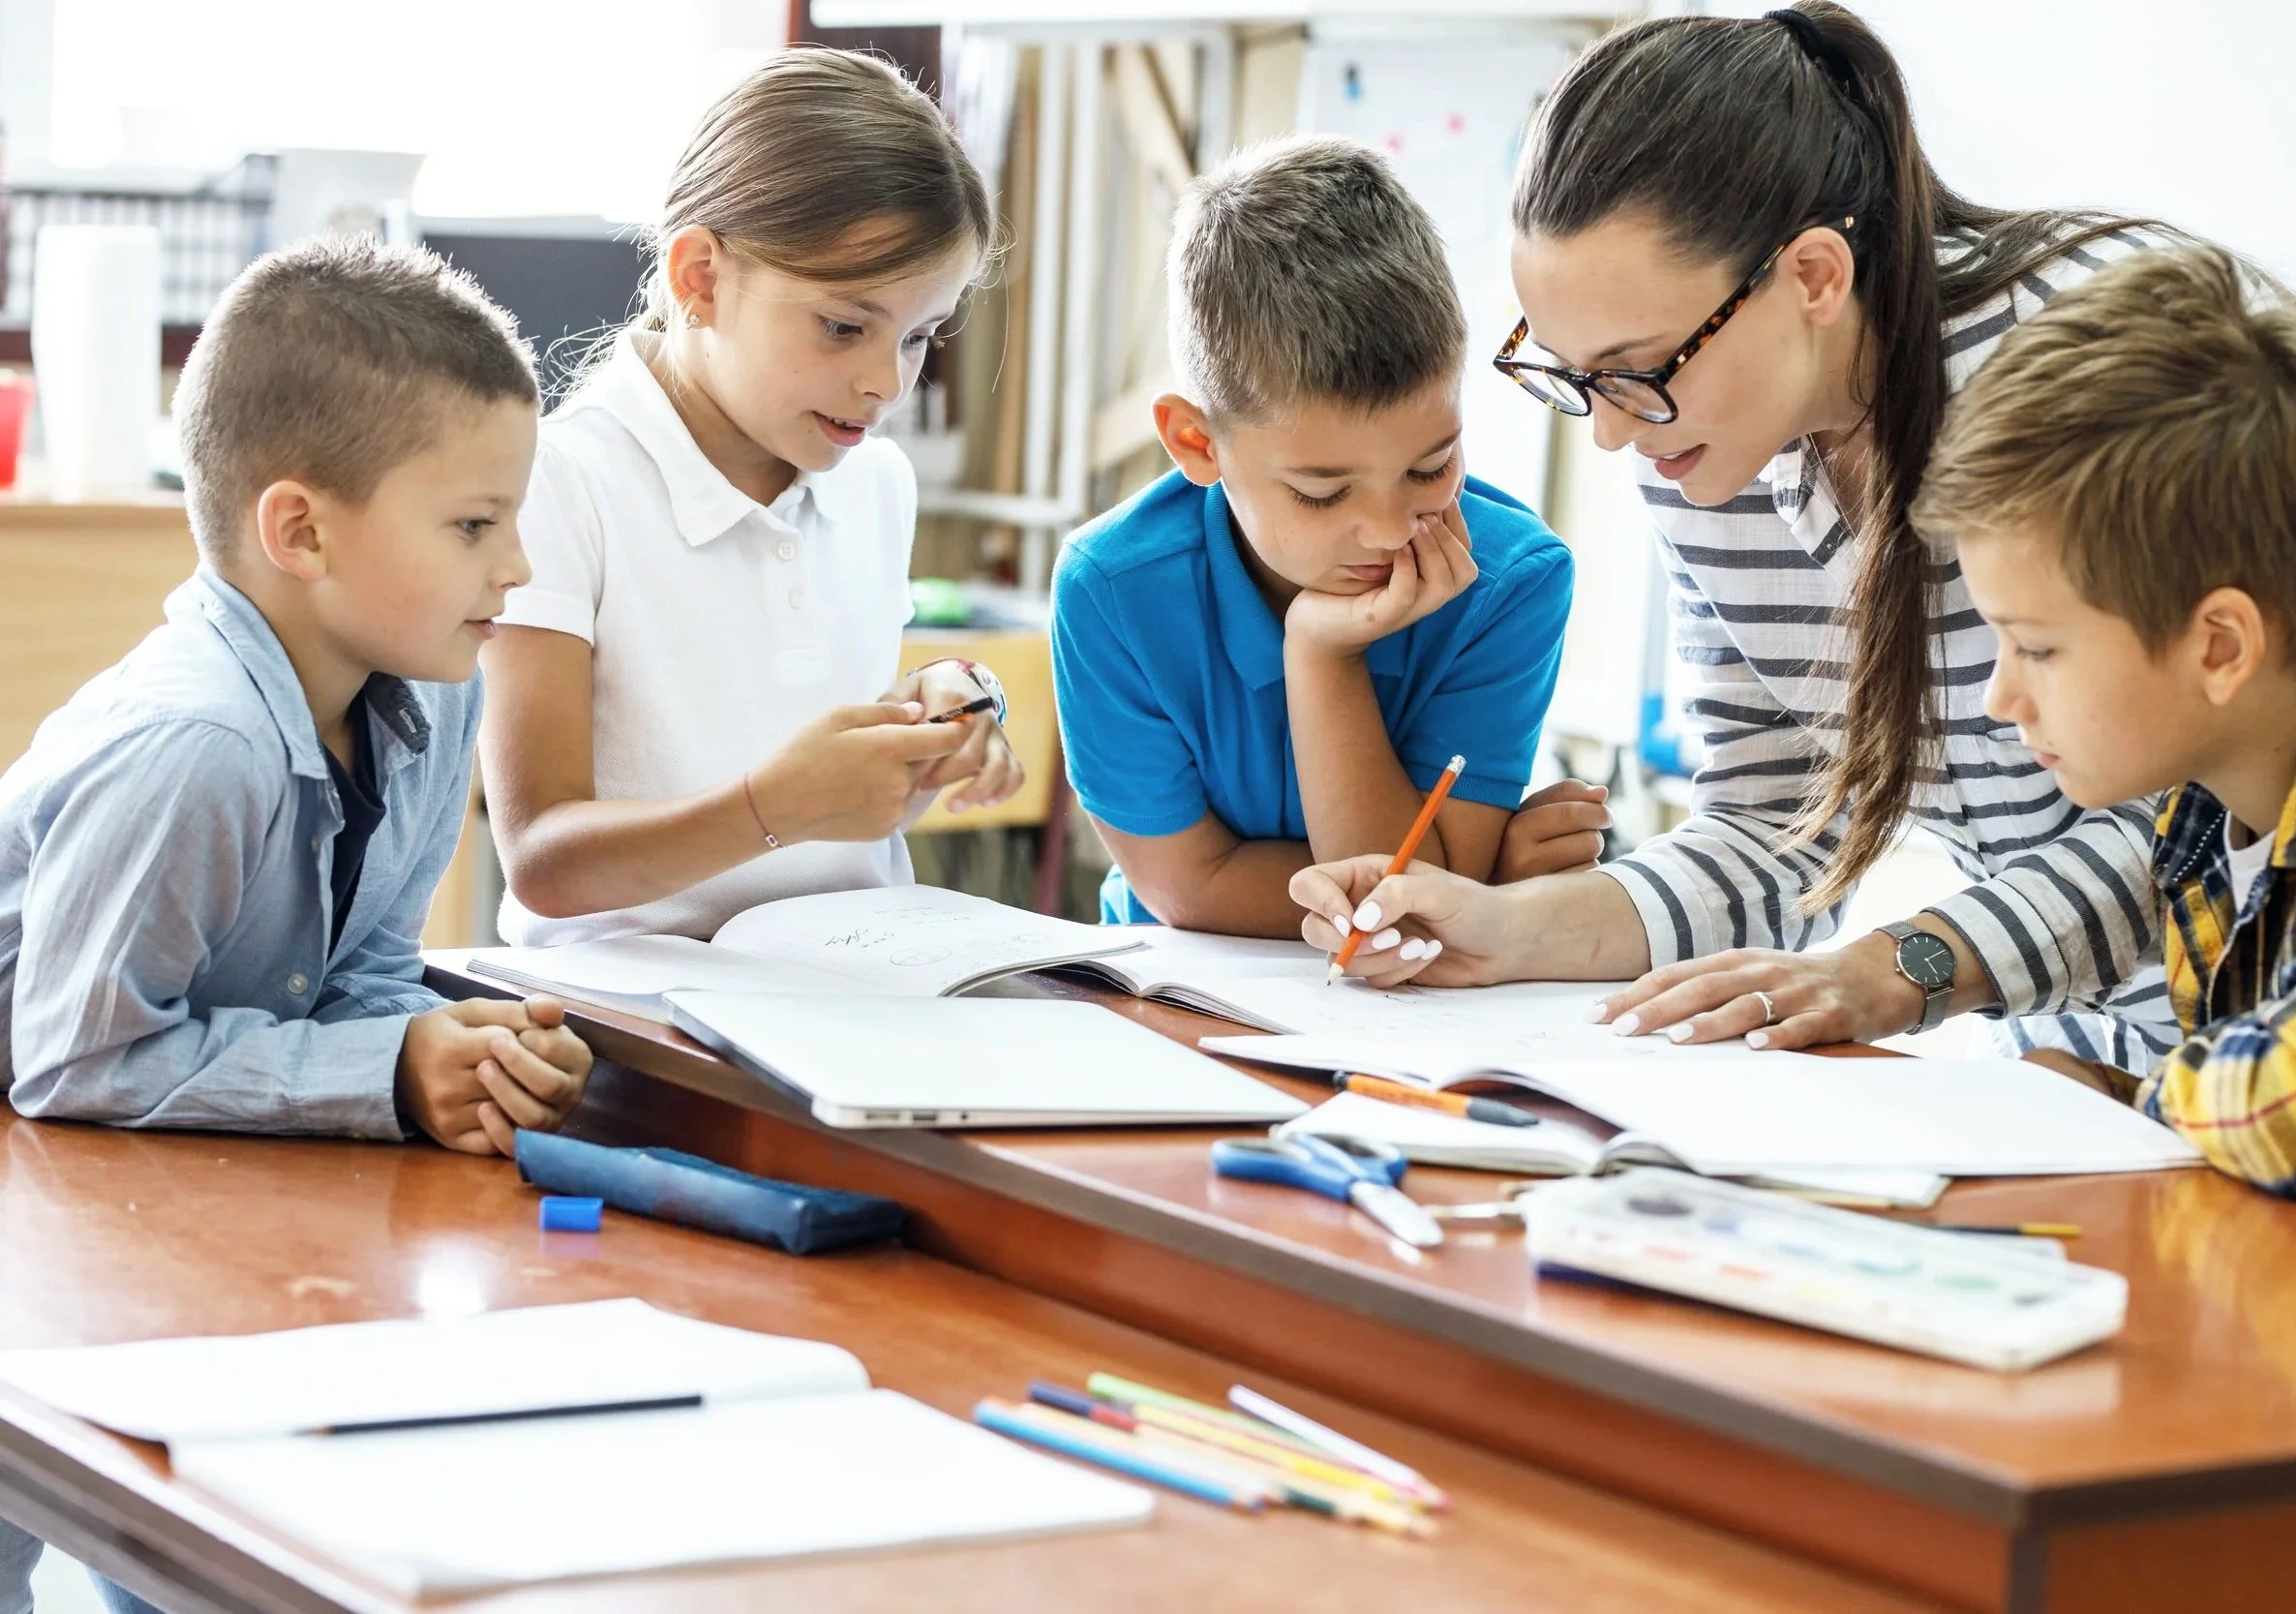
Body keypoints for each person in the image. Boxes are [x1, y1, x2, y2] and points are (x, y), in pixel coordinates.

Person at [1288, 2, 2296, 1069]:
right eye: (1577, 378)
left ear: (1813, 275)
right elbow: (1777, 827)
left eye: (1637, 374)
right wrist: (1509, 929)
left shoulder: (2091, 386)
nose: (1614, 438)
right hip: (2069, 1077)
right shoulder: (1701, 444)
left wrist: (1904, 965)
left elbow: (2210, 808)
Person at [0, 239, 594, 1613]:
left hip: (119, 1165)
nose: (518, 563)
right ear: (303, 531)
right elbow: (78, 1058)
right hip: (49, 1154)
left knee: (227, 1506)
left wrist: (453, 1049)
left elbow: (364, 961)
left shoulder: (431, 688)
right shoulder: (197, 742)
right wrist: (384, 1072)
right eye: (472, 525)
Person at [480, 47, 1021, 946]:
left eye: (921, 336)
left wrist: (929, 718)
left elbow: (824, 784)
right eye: (844, 326)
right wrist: (772, 805)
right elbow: (542, 860)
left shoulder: (876, 481)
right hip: (637, 1019)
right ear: (702, 278)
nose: (885, 384)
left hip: (853, 981)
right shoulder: (562, 480)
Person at [1930, 245, 2296, 1201]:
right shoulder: (2203, 820)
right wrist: (2104, 1096)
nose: (2001, 698)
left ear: (2219, 647)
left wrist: (2137, 1099)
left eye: (2036, 647)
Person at [1051, 137, 1590, 936]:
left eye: (1431, 466)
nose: (1387, 528)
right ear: (1198, 444)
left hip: (1409, 1020)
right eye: (1322, 491)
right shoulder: (1112, 590)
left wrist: (1321, 655)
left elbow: (1408, 907)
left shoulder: (1510, 582)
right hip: (1168, 998)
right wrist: (1477, 882)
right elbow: (1189, 890)